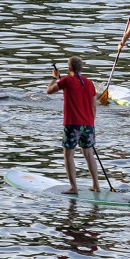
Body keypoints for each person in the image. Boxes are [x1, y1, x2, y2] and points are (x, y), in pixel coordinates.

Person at [47, 56, 101, 195]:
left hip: (72, 124)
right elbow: (94, 106)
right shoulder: (89, 83)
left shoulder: (66, 80)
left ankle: (73, 187)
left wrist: (54, 78)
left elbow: (49, 91)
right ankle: (96, 185)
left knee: (68, 155)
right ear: (81, 68)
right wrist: (91, 123)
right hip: (88, 124)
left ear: (69, 68)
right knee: (89, 154)